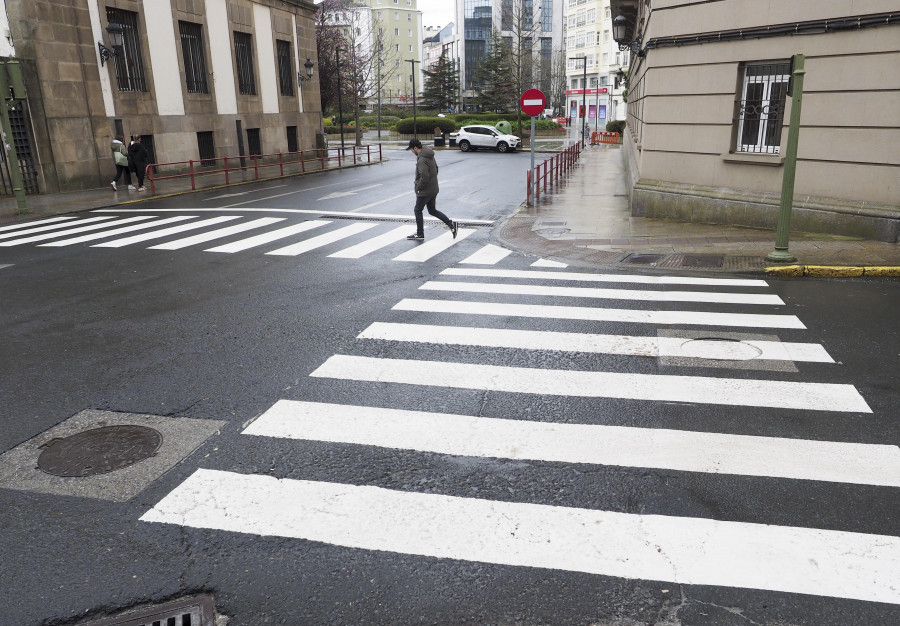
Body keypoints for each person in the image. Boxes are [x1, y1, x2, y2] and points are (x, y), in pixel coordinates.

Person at [404, 138, 457, 241]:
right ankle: (451, 224)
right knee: (432, 210)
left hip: (425, 191)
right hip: (433, 189)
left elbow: (424, 176)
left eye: (411, 149)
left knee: (417, 210)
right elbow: (436, 169)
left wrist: (418, 188)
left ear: (415, 148)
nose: (411, 151)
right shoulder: (429, 154)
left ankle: (420, 234)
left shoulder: (422, 159)